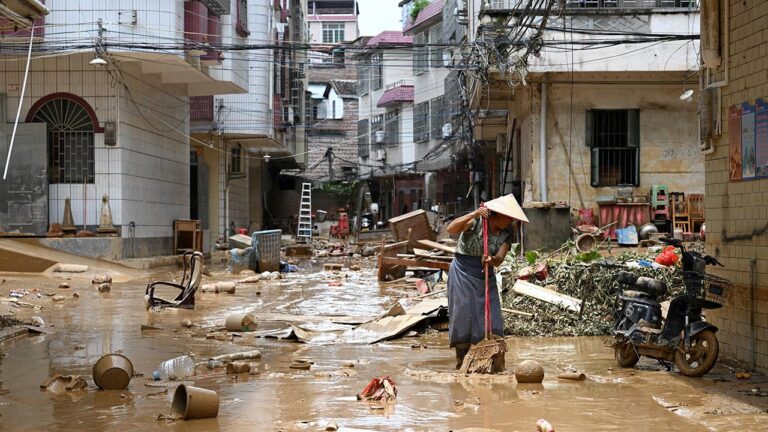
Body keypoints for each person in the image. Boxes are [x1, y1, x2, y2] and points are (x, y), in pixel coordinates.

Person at [445, 195, 527, 369]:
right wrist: (474, 214)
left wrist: (492, 260)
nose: (511, 220)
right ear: (496, 214)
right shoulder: (476, 223)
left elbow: (500, 258)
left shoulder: (506, 235)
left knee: (492, 319)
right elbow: (451, 229)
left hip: (485, 274)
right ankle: (462, 361)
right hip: (462, 271)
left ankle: (495, 362)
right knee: (463, 315)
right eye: (508, 216)